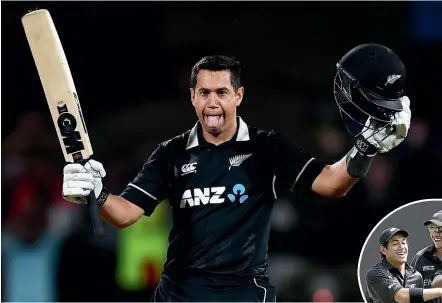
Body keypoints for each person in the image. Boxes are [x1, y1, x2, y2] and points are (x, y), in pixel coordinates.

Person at [62, 44, 412, 301]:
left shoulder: (267, 148)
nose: (213, 103)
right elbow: (125, 215)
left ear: (238, 96)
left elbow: (333, 184)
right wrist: (99, 193)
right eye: (204, 93)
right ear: (193, 97)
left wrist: (366, 147)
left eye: (222, 92)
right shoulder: (170, 153)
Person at [365, 227, 442, 303]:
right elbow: (402, 297)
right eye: (395, 244)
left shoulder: (416, 276)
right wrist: (440, 291)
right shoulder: (376, 273)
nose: (401, 247)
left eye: (403, 242)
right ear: (383, 250)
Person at [412, 211, 442, 303]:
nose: (435, 234)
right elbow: (411, 293)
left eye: (440, 229)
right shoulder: (421, 257)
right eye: (432, 228)